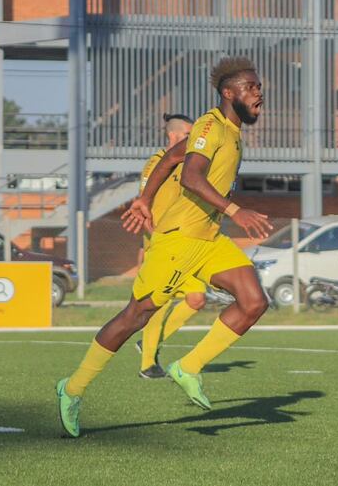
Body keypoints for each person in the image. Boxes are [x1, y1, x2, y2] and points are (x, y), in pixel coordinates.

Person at [55, 56, 273, 438]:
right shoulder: (211, 124)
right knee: (135, 316)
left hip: (208, 240)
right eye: (251, 87)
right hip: (179, 240)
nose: (259, 93)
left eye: (258, 87)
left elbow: (174, 156)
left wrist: (144, 197)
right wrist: (236, 210)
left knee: (254, 301)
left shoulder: (231, 131)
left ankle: (187, 367)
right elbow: (190, 175)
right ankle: (72, 389)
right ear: (228, 93)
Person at [135, 113, 209, 380]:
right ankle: (147, 365)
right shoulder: (156, 164)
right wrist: (153, 239)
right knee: (160, 303)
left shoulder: (183, 166)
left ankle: (150, 342)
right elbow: (144, 204)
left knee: (197, 297)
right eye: (189, 135)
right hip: (160, 244)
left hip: (181, 245)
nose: (193, 140)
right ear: (173, 136)